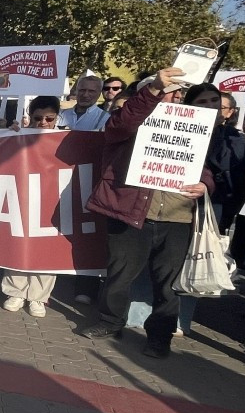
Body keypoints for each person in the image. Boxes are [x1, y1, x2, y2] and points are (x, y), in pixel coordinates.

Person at [78, 67, 214, 358]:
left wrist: (205, 184)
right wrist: (154, 89)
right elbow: (123, 124)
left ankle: (160, 336)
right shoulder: (126, 125)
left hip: (177, 217)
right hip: (130, 211)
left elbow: (200, 165)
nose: (174, 98)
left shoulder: (189, 126)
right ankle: (110, 323)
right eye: (167, 93)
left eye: (177, 94)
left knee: (168, 285)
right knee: (120, 275)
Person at [0, 96, 63, 317]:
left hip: (54, 199)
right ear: (30, 117)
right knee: (18, 242)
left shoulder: (67, 138)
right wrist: (10, 134)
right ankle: (15, 291)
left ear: (57, 118)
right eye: (38, 118)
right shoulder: (21, 135)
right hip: (24, 197)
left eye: (49, 118)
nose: (43, 122)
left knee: (47, 248)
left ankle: (37, 296)